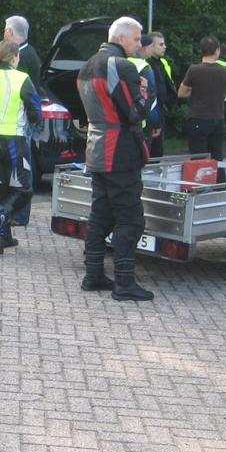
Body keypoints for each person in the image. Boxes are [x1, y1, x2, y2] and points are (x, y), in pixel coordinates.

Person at [76, 16, 153, 301]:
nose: (139, 44)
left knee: (100, 216)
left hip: (96, 149)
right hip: (119, 151)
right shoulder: (120, 66)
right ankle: (124, 283)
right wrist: (146, 91)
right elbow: (135, 113)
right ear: (121, 38)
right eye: (136, 38)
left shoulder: (87, 65)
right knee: (130, 219)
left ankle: (93, 274)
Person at [0, 39, 42, 253]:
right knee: (24, 189)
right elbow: (36, 110)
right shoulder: (20, 78)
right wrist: (35, 123)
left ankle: (4, 236)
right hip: (12, 139)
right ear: (14, 57)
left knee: (3, 187)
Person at [3, 15, 42, 227]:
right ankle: (12, 211)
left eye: (5, 30)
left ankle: (19, 213)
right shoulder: (28, 53)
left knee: (22, 169)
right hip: (19, 119)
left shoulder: (23, 56)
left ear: (10, 32)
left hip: (21, 120)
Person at [177, 36, 226, 160]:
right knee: (217, 157)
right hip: (218, 118)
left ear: (201, 51)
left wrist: (195, 91)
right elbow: (225, 94)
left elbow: (181, 93)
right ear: (217, 50)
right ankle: (218, 173)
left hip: (198, 118)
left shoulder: (194, 70)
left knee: (198, 158)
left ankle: (200, 173)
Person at [147, 31, 177, 158]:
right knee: (151, 150)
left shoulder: (162, 63)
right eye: (161, 44)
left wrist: (170, 101)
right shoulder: (146, 64)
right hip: (151, 111)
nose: (164, 47)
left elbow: (167, 84)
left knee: (158, 151)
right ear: (151, 46)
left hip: (160, 109)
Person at [129, 35, 160, 148]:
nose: (153, 49)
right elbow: (151, 98)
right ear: (145, 48)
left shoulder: (123, 62)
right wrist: (156, 122)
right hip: (141, 123)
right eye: (152, 46)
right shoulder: (144, 67)